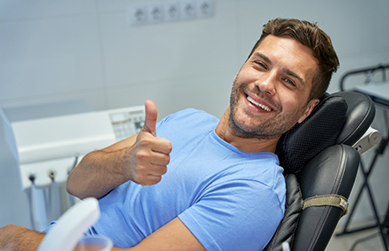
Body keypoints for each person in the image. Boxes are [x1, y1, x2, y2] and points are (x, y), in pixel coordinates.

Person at [0, 18, 339, 251]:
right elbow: (77, 183)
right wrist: (123, 163)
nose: (265, 85)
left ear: (306, 110)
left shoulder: (253, 192)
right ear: (242, 68)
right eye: (261, 64)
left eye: (288, 81)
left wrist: (22, 243)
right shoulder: (188, 121)